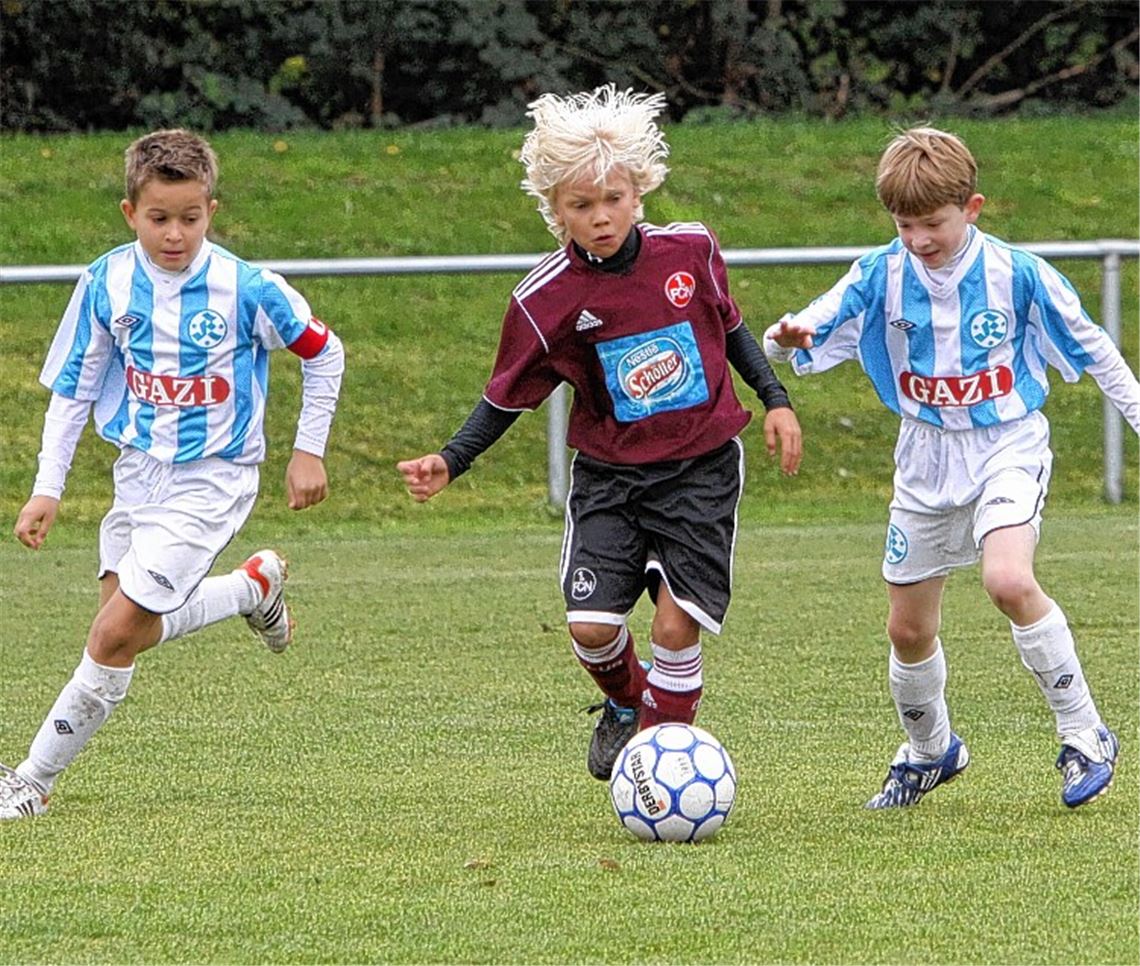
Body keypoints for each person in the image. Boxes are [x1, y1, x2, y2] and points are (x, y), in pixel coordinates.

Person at [398, 84, 802, 782]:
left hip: (701, 466)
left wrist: (775, 398)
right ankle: (626, 706)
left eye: (613, 199)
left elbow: (730, 325)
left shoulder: (691, 251)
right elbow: (507, 397)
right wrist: (452, 459)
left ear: (638, 192)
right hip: (611, 479)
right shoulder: (543, 299)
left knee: (676, 629)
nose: (601, 216)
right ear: (555, 212)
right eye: (580, 206)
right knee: (591, 629)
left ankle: (655, 768)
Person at [764, 126, 1139, 810]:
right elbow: (807, 327)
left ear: (972, 207)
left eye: (932, 223)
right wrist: (787, 340)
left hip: (1007, 444)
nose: (917, 239)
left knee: (1007, 578)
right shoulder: (881, 273)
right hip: (925, 456)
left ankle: (1084, 734)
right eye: (904, 224)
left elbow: (1097, 351)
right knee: (907, 628)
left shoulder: (1018, 275)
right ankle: (932, 750)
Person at [0, 129, 345, 820]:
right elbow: (73, 390)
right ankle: (253, 588)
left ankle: (30, 783)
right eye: (159, 218)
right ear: (131, 213)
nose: (175, 234)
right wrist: (48, 486)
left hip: (213, 481)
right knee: (124, 629)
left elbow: (325, 351)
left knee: (111, 636)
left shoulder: (247, 288)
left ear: (211, 210)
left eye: (191, 218)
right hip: (138, 474)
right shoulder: (105, 283)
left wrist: (308, 450)